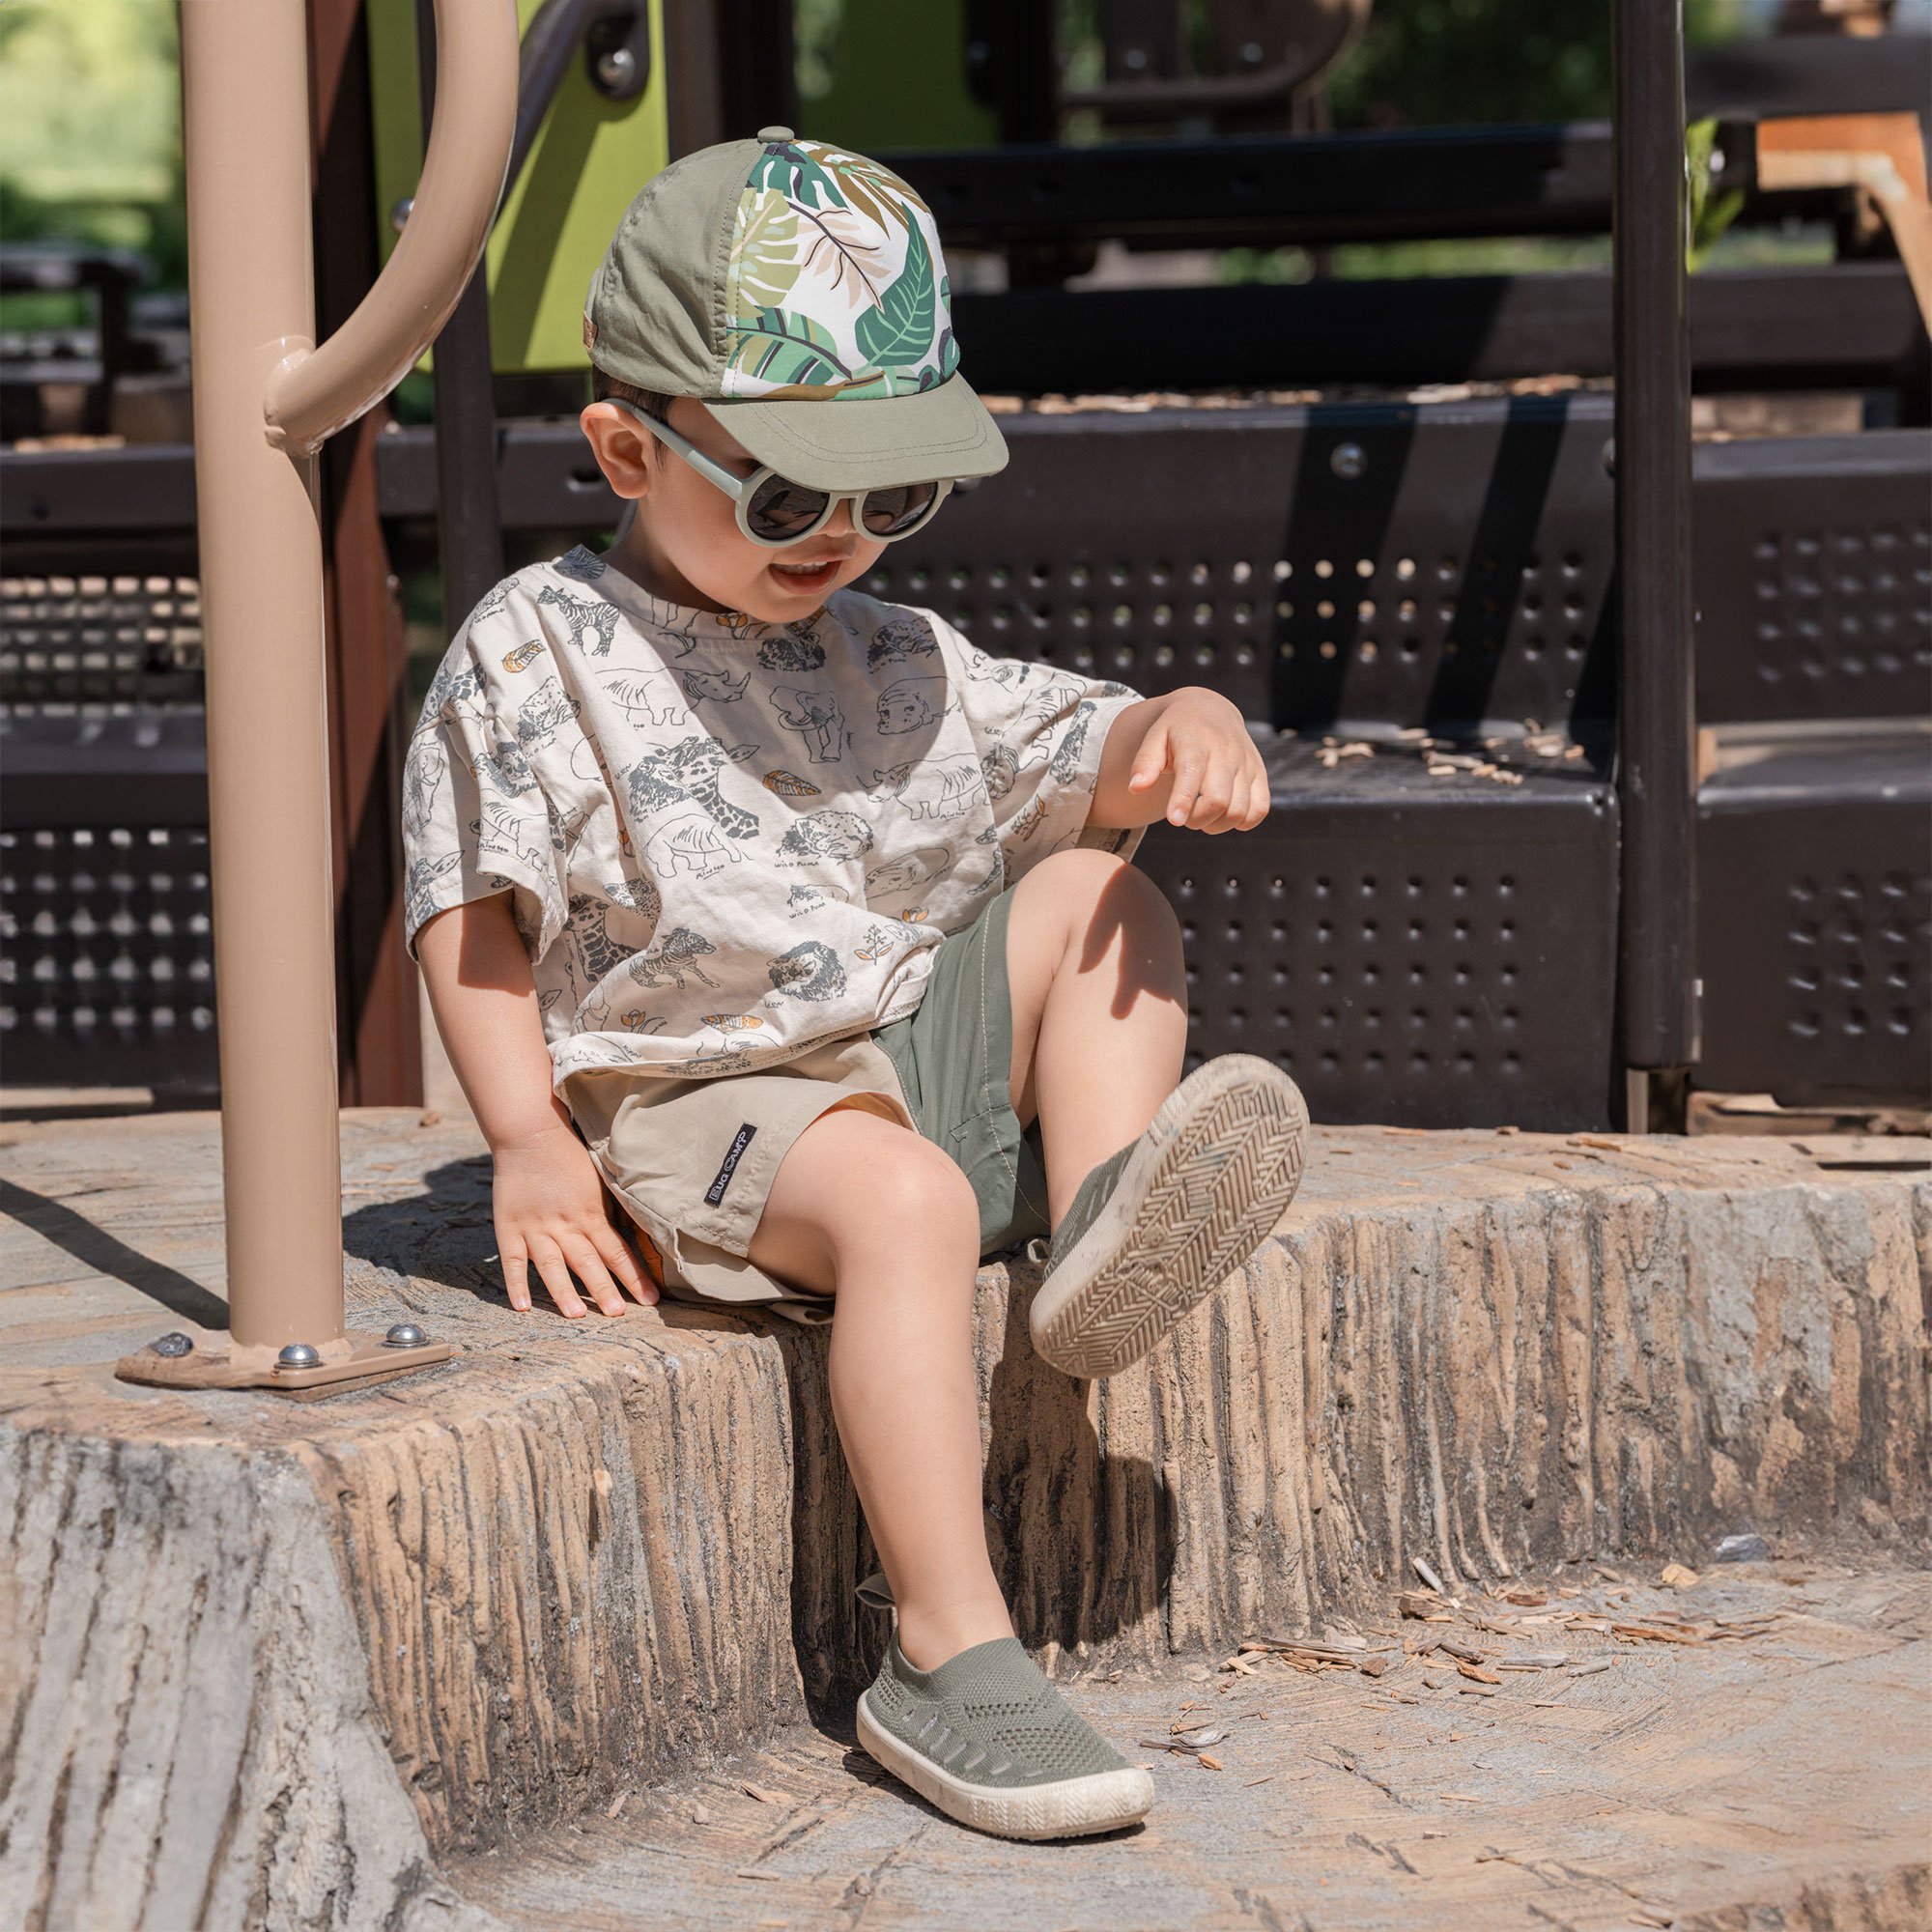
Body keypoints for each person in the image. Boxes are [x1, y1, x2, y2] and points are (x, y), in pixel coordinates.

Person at [406, 127, 1308, 1842]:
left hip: (896, 1050)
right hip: (701, 1100)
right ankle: (947, 1651)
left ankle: (1099, 1225)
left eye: (892, 499)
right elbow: (473, 912)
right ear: (626, 448)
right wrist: (525, 1139)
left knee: (1094, 895)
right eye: (786, 495)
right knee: (902, 1199)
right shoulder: (539, 649)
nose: (840, 538)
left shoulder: (889, 648)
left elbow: (1075, 752)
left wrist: (1179, 721)